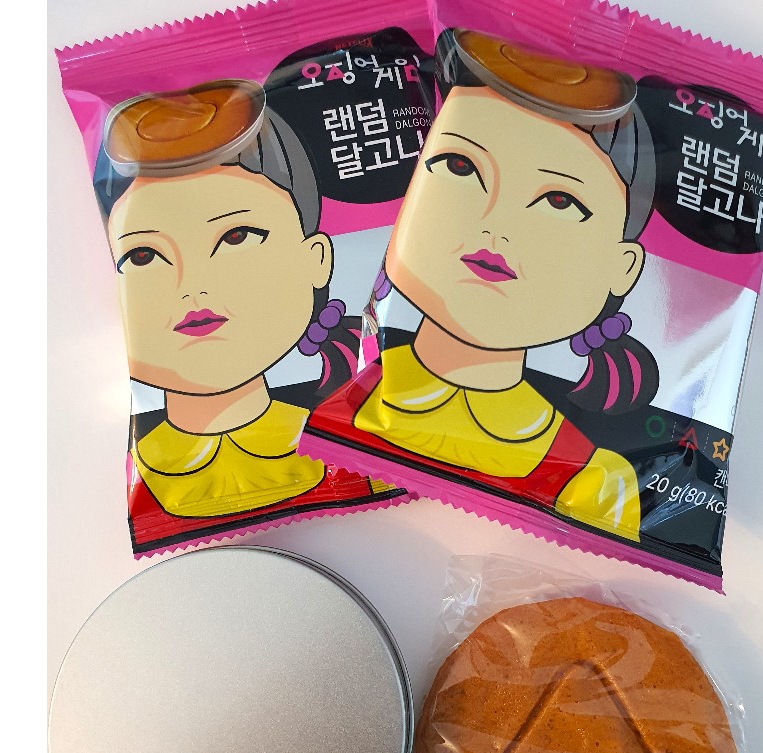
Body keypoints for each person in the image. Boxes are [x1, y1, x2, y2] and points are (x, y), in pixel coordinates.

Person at [345, 31, 660, 542]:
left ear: (622, 268)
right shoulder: (337, 408)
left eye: (560, 201)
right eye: (461, 166)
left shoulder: (598, 480)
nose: (497, 226)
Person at [93, 80, 382, 542]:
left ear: (316, 259)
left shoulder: (348, 449)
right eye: (144, 256)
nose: (192, 287)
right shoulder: (153, 468)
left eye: (235, 237)